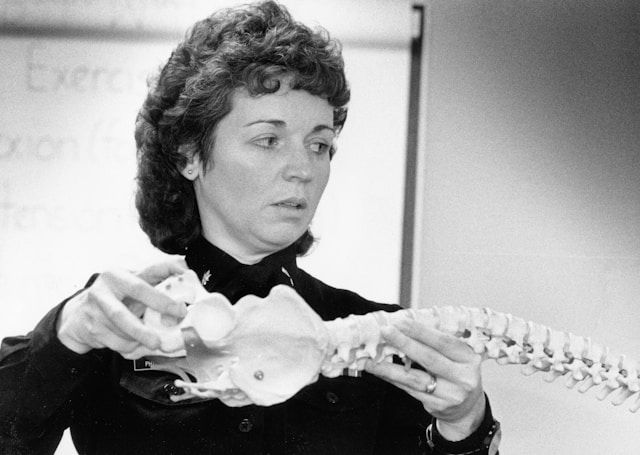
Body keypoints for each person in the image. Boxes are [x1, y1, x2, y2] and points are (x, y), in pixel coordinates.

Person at [0, 1, 500, 454]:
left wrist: (465, 426)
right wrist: (64, 335)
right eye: (268, 140)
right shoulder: (114, 322)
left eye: (319, 145)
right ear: (190, 155)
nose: (303, 169)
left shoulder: (383, 339)